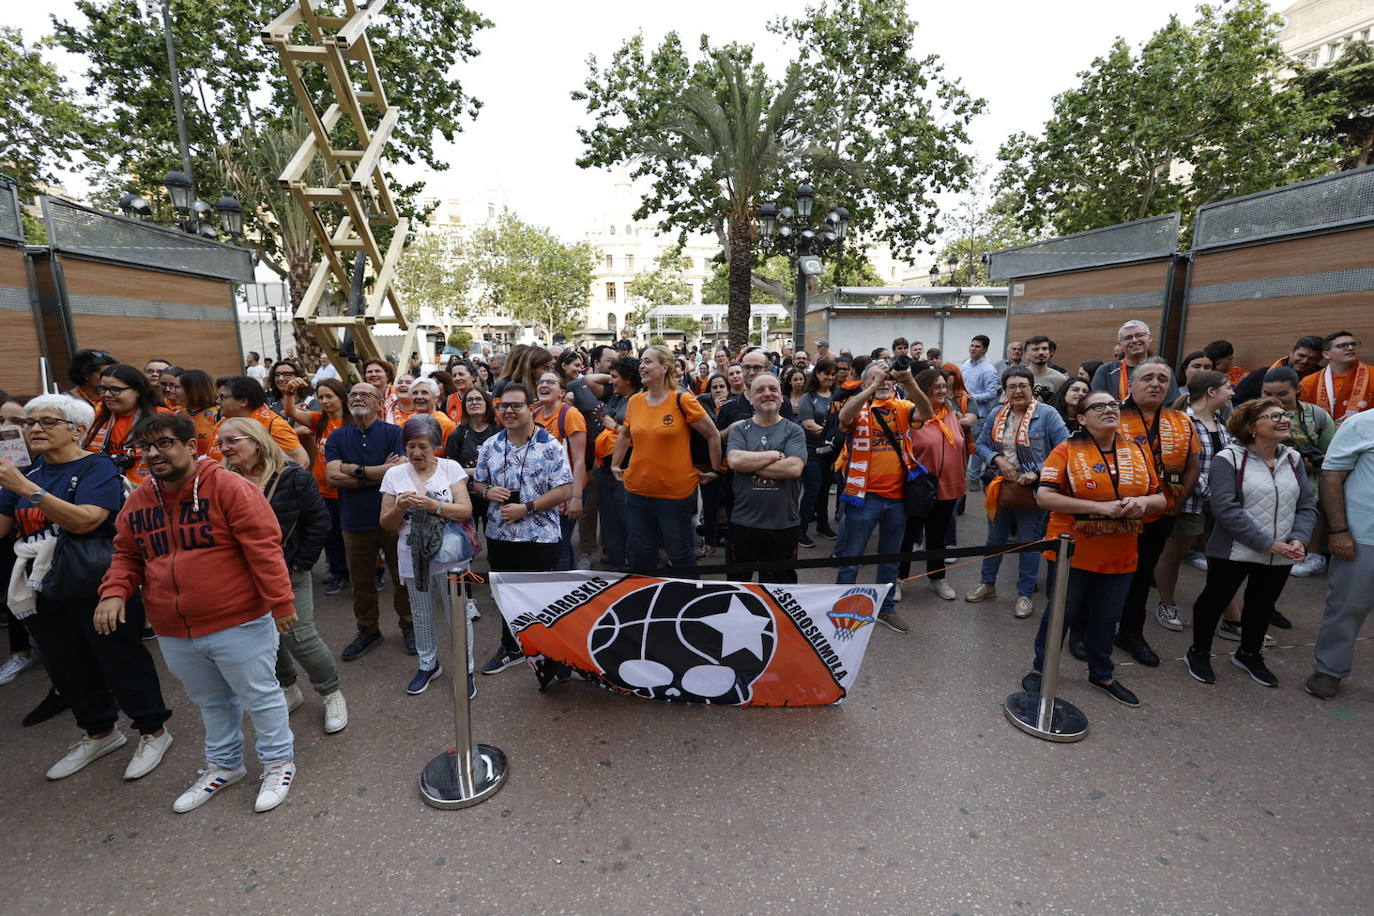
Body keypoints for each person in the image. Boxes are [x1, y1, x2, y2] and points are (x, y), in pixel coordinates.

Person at [96, 413, 299, 813]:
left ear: (192, 446)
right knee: (211, 701)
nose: (154, 453)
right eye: (146, 447)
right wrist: (115, 591)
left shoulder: (229, 487)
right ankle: (225, 766)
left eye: (165, 443)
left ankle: (278, 763)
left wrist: (281, 602)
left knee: (260, 696)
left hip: (238, 619)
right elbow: (127, 552)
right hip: (175, 628)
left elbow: (264, 547)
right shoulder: (139, 498)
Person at [0, 394, 173, 781]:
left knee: (118, 656)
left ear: (77, 430)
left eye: (46, 422)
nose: (34, 429)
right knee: (64, 662)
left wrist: (25, 489)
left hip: (95, 580)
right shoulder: (22, 471)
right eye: (29, 423)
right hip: (40, 584)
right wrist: (14, 484)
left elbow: (86, 522)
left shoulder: (98, 467)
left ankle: (153, 731)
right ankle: (99, 732)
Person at [1026, 390, 1165, 708]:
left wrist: (1141, 502)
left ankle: (1102, 674)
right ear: (1081, 418)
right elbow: (1044, 496)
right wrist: (1098, 508)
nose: (1108, 410)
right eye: (1097, 406)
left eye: (1113, 405)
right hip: (1071, 551)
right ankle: (1041, 668)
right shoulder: (1065, 450)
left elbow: (1160, 499)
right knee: (1060, 614)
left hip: (1120, 553)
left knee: (1107, 617)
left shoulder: (1137, 452)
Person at [218, 418, 346, 734]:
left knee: (299, 636)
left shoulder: (293, 478)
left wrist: (301, 563)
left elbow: (319, 523)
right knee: (263, 638)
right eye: (222, 443)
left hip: (287, 572)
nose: (225, 448)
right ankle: (289, 688)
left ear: (256, 441)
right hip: (240, 576)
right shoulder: (220, 479)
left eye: (232, 441)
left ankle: (331, 692)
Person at [1185, 398, 1316, 687]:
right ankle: (1199, 651)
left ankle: (1249, 654)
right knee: (1214, 600)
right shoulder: (1228, 459)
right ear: (1251, 427)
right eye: (1273, 416)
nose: (1283, 420)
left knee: (1262, 605)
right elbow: (1225, 509)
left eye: (1284, 415)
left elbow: (1307, 505)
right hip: (1233, 550)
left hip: (1281, 551)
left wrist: (1299, 539)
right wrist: (1267, 542)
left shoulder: (1293, 459)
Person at [472, 383, 573, 674]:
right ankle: (511, 646)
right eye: (504, 406)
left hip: (540, 536)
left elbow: (565, 490)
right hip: (500, 534)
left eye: (516, 405)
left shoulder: (550, 445)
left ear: (531, 408)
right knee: (505, 594)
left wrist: (527, 508)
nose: (509, 411)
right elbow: (478, 482)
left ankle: (550, 652)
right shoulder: (491, 444)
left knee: (541, 596)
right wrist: (487, 491)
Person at [1110, 359, 1201, 666]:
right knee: (1103, 575)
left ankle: (1131, 632)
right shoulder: (1110, 416)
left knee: (1140, 575)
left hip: (1162, 514)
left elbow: (1193, 464)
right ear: (1131, 385)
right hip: (1114, 515)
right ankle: (1085, 630)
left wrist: (1176, 502)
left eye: (1162, 379)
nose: (1155, 384)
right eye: (1147, 378)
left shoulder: (1181, 420)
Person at [833, 362, 933, 632]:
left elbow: (927, 411)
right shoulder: (859, 406)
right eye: (877, 377)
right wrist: (873, 385)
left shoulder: (901, 407)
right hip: (863, 497)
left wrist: (910, 382)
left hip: (898, 498)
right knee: (852, 556)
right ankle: (843, 608)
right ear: (865, 382)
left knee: (890, 558)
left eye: (888, 378)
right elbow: (844, 416)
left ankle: (886, 609)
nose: (885, 382)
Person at [380, 416, 475, 697]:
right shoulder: (394, 475)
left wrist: (434, 505)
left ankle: (465, 668)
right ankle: (428, 664)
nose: (416, 453)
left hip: (453, 557)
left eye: (422, 446)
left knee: (459, 614)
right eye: (410, 446)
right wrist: (399, 506)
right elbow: (386, 523)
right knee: (420, 614)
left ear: (435, 445)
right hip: (412, 556)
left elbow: (465, 511)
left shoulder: (450, 467)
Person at [967, 367, 1069, 617]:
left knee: (1029, 543)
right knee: (994, 540)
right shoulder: (996, 413)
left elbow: (1066, 448)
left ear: (1031, 388)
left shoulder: (1047, 414)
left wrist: (1038, 472)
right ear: (1005, 391)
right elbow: (979, 444)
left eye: (1023, 385)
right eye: (1012, 386)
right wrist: (998, 459)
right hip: (1001, 488)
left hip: (1032, 491)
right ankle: (987, 584)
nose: (1017, 391)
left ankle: (1025, 594)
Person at [611, 346, 722, 572]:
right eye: (641, 361)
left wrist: (716, 469)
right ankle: (646, 601)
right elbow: (625, 434)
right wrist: (615, 464)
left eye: (648, 361)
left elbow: (712, 434)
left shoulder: (682, 400)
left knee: (679, 554)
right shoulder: (635, 401)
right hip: (637, 493)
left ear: (664, 368)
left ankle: (687, 600)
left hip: (675, 495)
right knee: (641, 554)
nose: (642, 366)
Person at [324, 382, 413, 661]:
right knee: (361, 584)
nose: (358, 398)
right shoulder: (338, 437)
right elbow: (332, 477)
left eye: (366, 394)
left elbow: (399, 472)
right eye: (354, 394)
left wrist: (355, 471)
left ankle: (410, 626)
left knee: (402, 579)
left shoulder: (395, 433)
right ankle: (368, 630)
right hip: (354, 522)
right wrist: (379, 471)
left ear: (379, 402)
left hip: (393, 518)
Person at [1154, 371, 1233, 633]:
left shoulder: (1221, 423)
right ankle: (1167, 603)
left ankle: (1233, 618)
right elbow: (1178, 466)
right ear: (1211, 392)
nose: (1232, 393)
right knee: (1173, 555)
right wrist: (1212, 493)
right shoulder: (1181, 421)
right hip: (1189, 503)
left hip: (1218, 502)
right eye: (1227, 388)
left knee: (1223, 560)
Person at [1306, 409, 1374, 698]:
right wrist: (1338, 530)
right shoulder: (1363, 423)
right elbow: (1331, 477)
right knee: (1347, 607)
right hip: (1362, 537)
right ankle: (1329, 670)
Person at [724, 373, 807, 582]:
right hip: (744, 523)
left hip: (783, 524)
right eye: (760, 390)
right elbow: (735, 461)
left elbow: (794, 468)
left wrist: (750, 464)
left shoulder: (794, 430)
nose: (767, 394)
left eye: (773, 389)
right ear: (750, 398)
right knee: (738, 584)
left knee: (781, 587)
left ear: (781, 397)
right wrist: (776, 455)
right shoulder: (740, 429)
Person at [897, 368, 967, 600]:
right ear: (923, 389)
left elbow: (960, 445)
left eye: (944, 387)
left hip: (949, 485)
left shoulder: (950, 413)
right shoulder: (912, 415)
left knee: (938, 536)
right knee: (908, 536)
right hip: (920, 488)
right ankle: (898, 579)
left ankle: (937, 578)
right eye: (936, 387)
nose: (942, 391)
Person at [1262, 366, 1335, 578]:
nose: (1274, 399)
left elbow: (1332, 455)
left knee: (1311, 511)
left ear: (1297, 390)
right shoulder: (1252, 413)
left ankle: (1311, 555)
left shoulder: (1318, 416)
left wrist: (1313, 464)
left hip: (1308, 481)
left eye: (1282, 394)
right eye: (1267, 394)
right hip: (1266, 479)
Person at [280, 377, 351, 595]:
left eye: (330, 396)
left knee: (352, 535)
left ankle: (366, 573)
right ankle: (339, 574)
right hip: (323, 489)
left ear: (341, 397)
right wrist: (290, 393)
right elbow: (290, 412)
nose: (325, 401)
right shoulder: (319, 420)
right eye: (321, 397)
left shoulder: (353, 423)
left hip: (348, 488)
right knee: (330, 535)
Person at [533, 370, 587, 570]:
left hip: (567, 491)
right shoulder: (535, 414)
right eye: (541, 381)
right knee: (549, 542)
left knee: (561, 543)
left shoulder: (570, 415)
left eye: (550, 382)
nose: (543, 385)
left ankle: (564, 586)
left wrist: (577, 497)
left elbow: (579, 460)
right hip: (544, 491)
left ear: (562, 393)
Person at [593, 358, 642, 569]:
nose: (611, 381)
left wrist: (614, 426)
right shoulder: (615, 397)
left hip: (626, 469)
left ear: (629, 380)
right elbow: (584, 381)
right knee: (610, 520)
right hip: (606, 470)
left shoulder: (640, 400)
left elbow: (637, 436)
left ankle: (634, 565)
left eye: (615, 377)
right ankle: (615, 563)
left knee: (628, 520)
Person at [84, 363, 169, 486]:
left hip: (150, 490)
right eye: (103, 389)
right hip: (102, 488)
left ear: (138, 391)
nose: (107, 394)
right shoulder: (95, 416)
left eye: (115, 390)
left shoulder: (161, 418)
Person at [214, 375, 309, 468]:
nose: (218, 401)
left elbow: (301, 461)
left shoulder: (273, 425)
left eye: (222, 397)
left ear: (243, 401)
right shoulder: (225, 422)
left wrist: (264, 481)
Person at [445, 387, 500, 537]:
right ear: (465, 406)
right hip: (467, 497)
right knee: (468, 542)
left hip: (495, 495)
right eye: (470, 400)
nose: (474, 402)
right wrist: (474, 471)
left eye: (478, 399)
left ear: (486, 404)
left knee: (496, 543)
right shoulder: (457, 434)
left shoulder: (499, 431)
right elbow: (450, 470)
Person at [1091, 320, 1182, 404]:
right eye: (1127, 338)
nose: (1134, 340)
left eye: (1139, 335)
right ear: (1120, 344)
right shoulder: (1106, 371)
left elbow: (1173, 405)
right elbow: (1095, 404)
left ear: (1149, 338)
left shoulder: (1163, 370)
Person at [798, 358, 838, 544]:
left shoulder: (838, 395)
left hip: (831, 454)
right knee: (812, 491)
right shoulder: (808, 397)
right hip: (812, 452)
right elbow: (808, 424)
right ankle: (800, 529)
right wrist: (832, 434)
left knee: (824, 491)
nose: (829, 377)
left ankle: (823, 525)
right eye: (826, 373)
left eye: (832, 374)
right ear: (817, 374)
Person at [1301, 331, 1369, 424]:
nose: (1350, 348)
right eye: (1342, 345)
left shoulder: (1372, 374)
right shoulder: (1309, 382)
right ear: (1326, 354)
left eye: (1353, 344)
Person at [1233, 335, 1325, 404]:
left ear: (1319, 360)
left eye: (1312, 358)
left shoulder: (1325, 380)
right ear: (1291, 352)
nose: (1305, 361)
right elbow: (1236, 401)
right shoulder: (1261, 375)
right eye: (1301, 355)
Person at [406, 379, 456, 447]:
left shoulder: (446, 425)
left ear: (436, 398)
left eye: (424, 392)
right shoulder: (406, 422)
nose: (419, 397)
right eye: (415, 393)